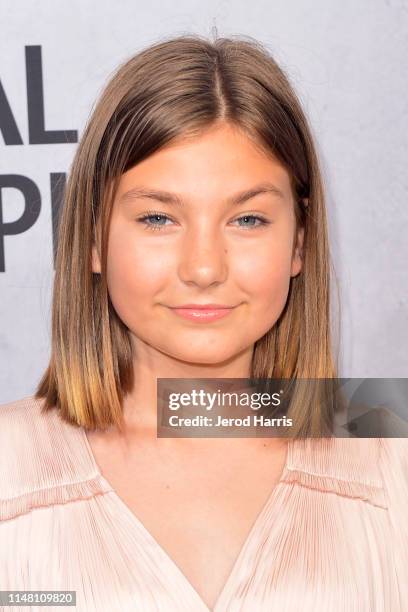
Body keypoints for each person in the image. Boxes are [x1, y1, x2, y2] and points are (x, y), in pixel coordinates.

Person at [0, 33, 407, 611]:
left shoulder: (390, 453)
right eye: (159, 217)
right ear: (92, 237)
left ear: (300, 241)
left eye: (247, 218)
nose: (203, 267)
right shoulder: (8, 466)